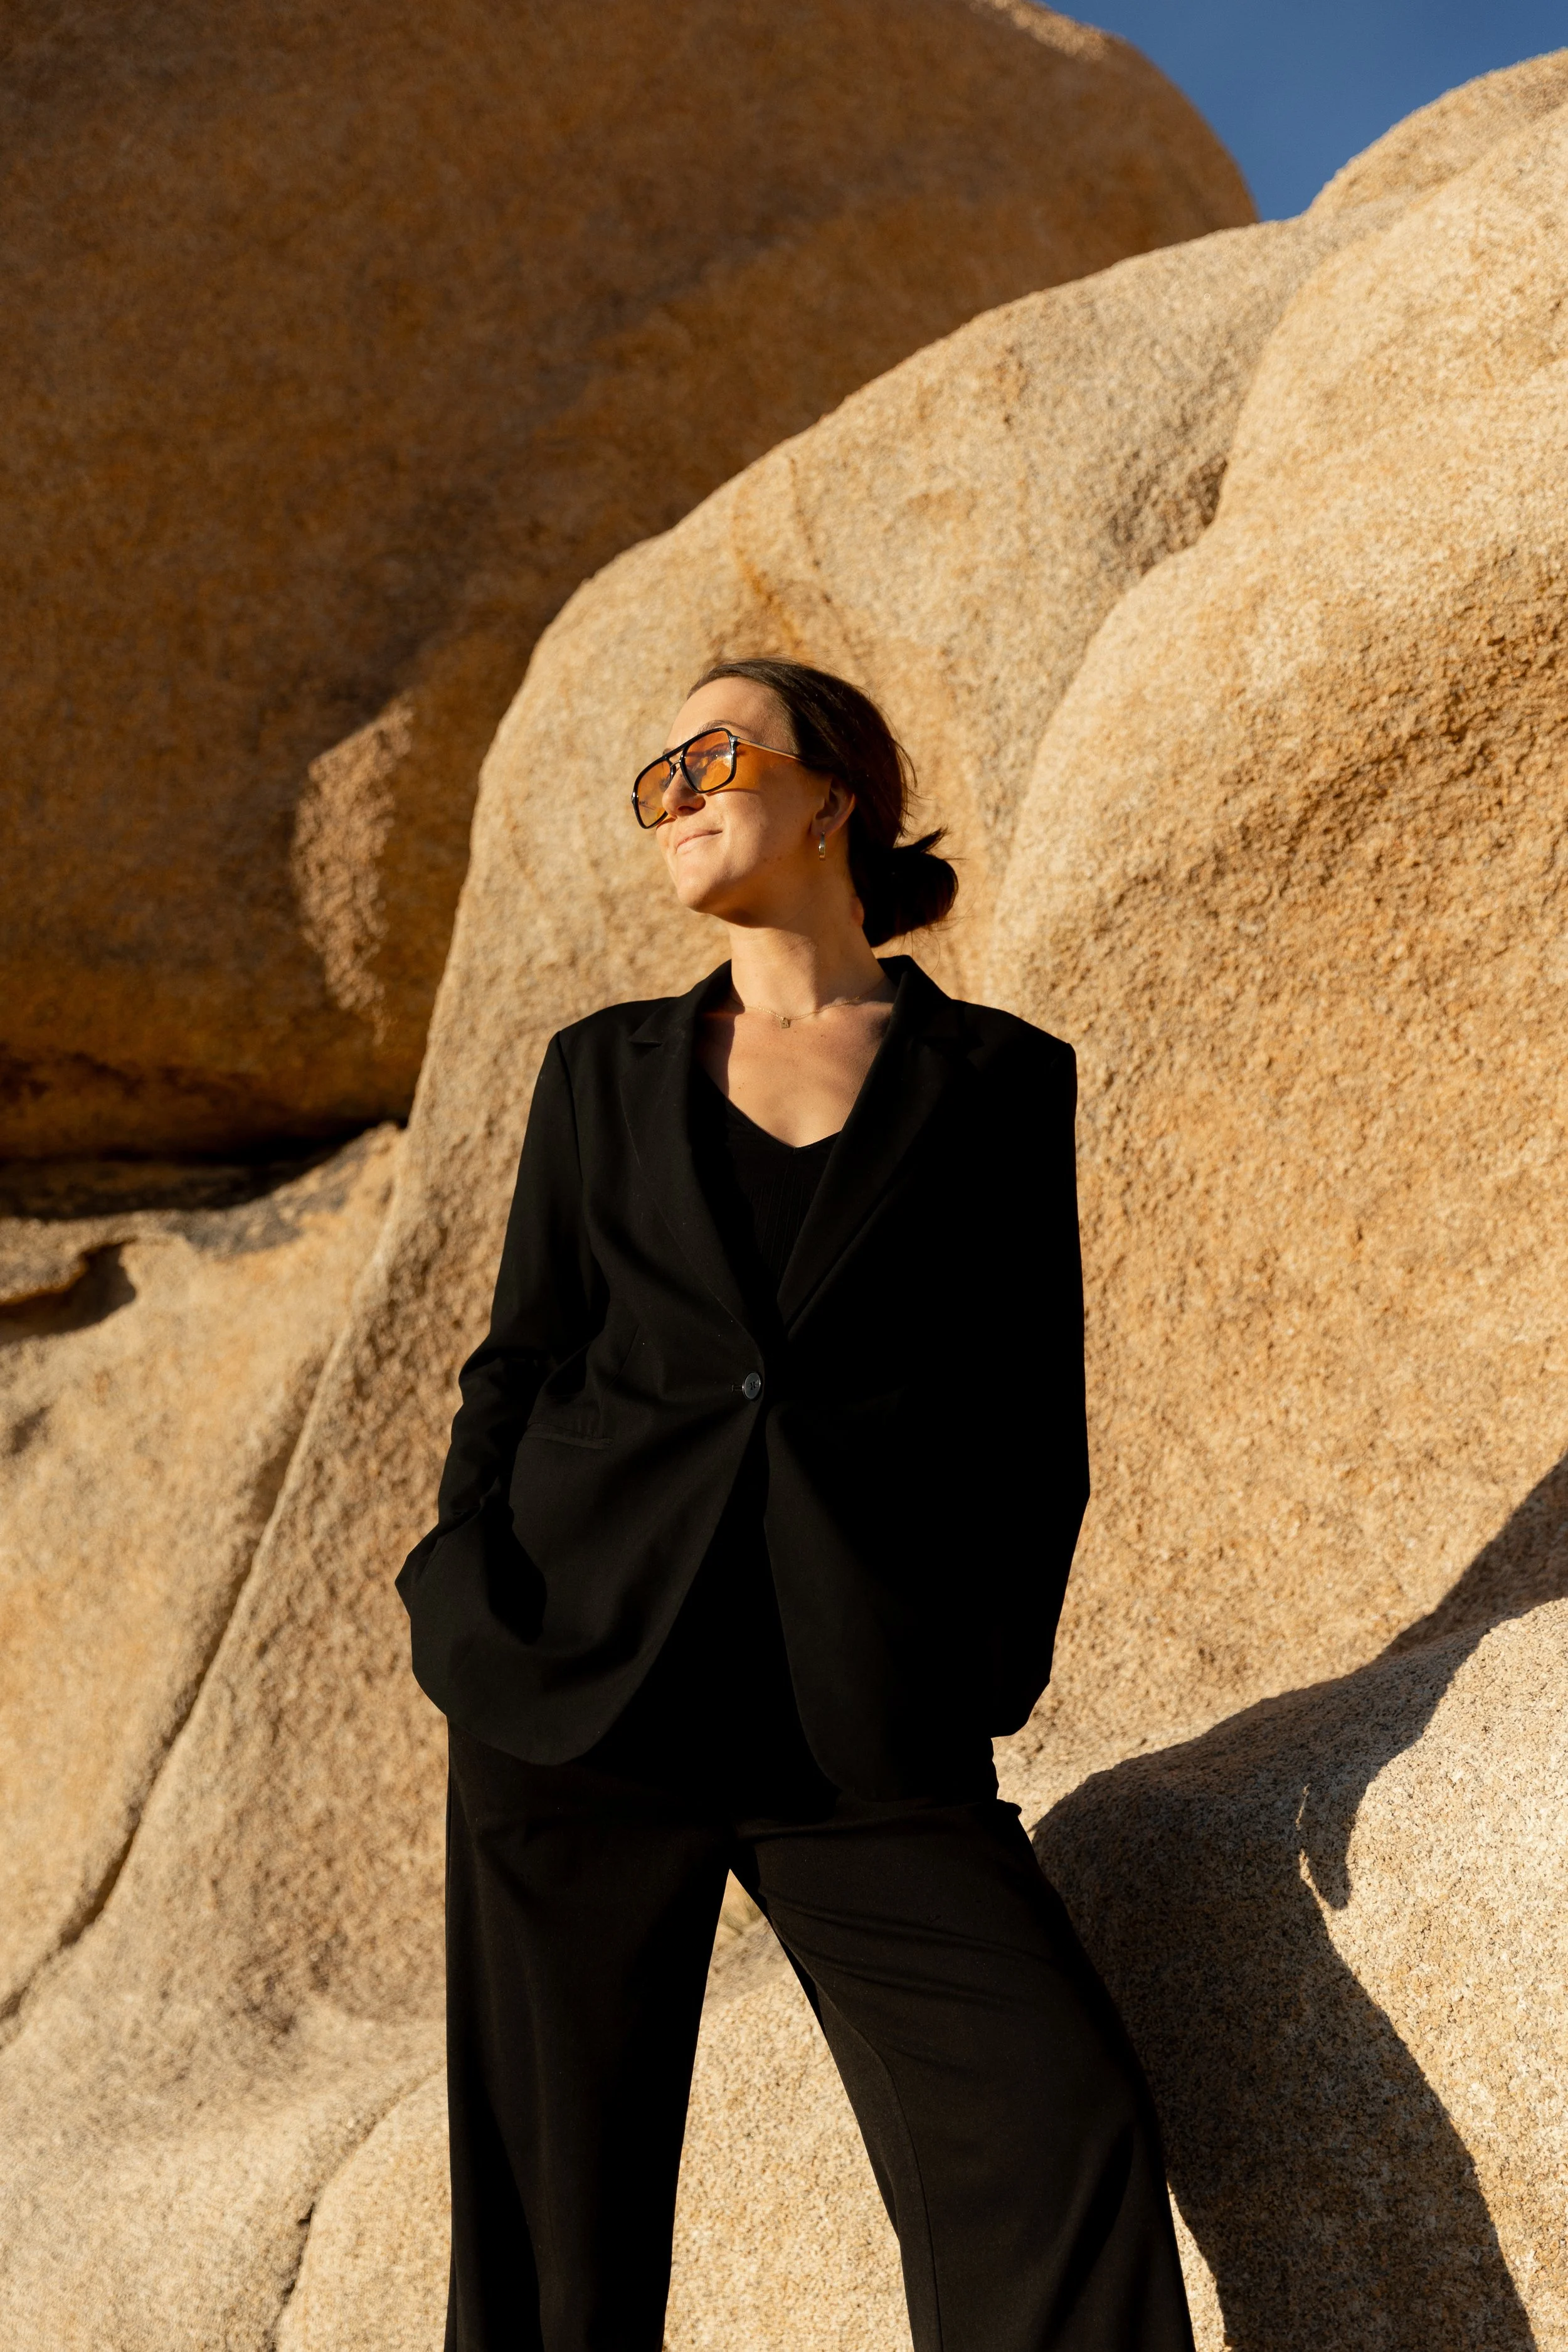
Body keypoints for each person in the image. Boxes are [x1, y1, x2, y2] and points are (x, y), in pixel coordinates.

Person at [398, 657, 1194, 2352]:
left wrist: (974, 1673)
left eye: (712, 756)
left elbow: (1024, 1410)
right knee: (554, 2251)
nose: (676, 796)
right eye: (657, 779)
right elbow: (519, 1362)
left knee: (1055, 2137)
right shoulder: (601, 1072)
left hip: (855, 1726)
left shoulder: (995, 1079)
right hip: (579, 1699)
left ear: (833, 791)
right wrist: (459, 1602)